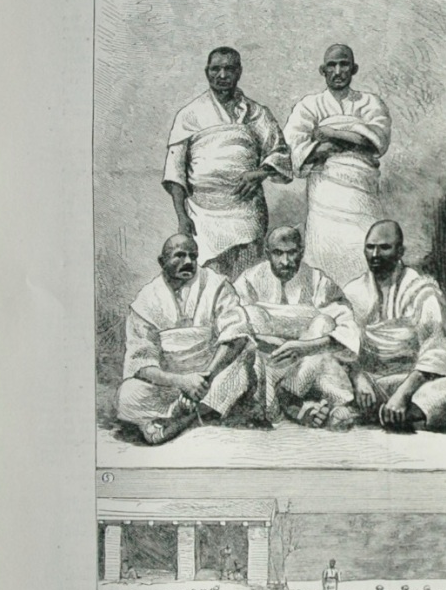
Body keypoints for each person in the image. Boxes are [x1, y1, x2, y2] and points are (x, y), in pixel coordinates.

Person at [163, 47, 292, 278]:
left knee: (248, 276)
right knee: (209, 280)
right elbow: (175, 171)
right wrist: (182, 217)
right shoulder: (189, 114)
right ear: (207, 72)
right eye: (216, 69)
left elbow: (279, 152)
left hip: (246, 211)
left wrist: (259, 173)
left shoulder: (257, 113)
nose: (222, 75)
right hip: (203, 215)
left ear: (239, 72)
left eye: (229, 69)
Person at [116, 234, 252, 444]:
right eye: (179, 256)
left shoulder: (216, 285)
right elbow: (141, 364)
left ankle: (180, 418)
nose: (188, 262)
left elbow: (236, 334)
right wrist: (183, 382)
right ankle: (188, 412)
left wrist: (206, 377)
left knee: (244, 365)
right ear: (162, 262)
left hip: (211, 378)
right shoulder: (146, 301)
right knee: (126, 395)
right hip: (170, 385)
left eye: (193, 256)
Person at [284, 44, 392, 288]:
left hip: (361, 192)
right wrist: (325, 147)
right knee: (324, 256)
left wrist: (330, 132)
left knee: (364, 252)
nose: (338, 70)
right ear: (323, 70)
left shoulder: (370, 103)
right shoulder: (309, 105)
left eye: (344, 64)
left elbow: (376, 141)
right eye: (332, 65)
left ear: (353, 69)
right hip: (325, 192)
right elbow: (293, 148)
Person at [344, 220, 446, 431]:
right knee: (322, 369)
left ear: (400, 251)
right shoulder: (353, 291)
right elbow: (344, 346)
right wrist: (358, 377)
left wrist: (402, 395)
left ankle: (390, 414)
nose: (375, 255)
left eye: (384, 248)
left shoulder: (422, 291)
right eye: (370, 247)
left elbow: (434, 353)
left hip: (411, 385)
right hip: (369, 386)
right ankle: (384, 414)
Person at [235, 225, 360, 427]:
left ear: (301, 251)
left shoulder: (318, 280)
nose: (286, 261)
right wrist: (265, 341)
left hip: (307, 361)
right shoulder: (248, 280)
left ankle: (291, 397)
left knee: (324, 323)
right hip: (268, 360)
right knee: (251, 318)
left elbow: (347, 328)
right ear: (267, 254)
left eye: (292, 253)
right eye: (278, 253)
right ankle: (279, 405)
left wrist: (304, 347)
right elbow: (232, 322)